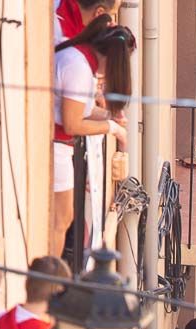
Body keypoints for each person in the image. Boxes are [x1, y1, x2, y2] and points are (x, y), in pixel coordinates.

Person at [53, 17, 134, 253]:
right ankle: (49, 284)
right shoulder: (79, 68)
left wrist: (108, 115)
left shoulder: (79, 60)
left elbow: (80, 108)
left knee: (63, 218)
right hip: (57, 146)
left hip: (60, 146)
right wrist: (111, 127)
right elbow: (72, 123)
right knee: (61, 220)